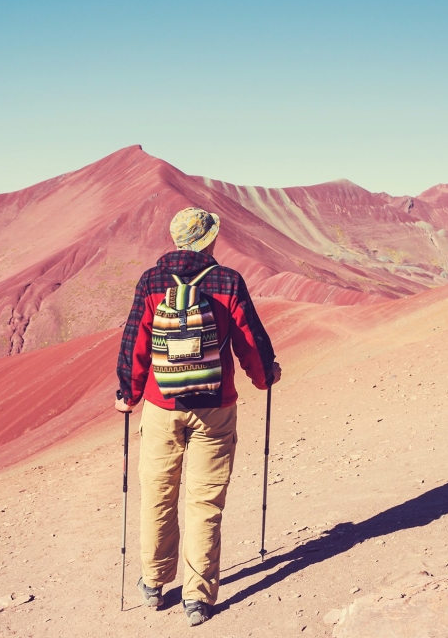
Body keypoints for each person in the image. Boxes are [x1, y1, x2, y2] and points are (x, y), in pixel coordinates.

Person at [115, 207, 281, 626]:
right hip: (216, 407)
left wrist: (127, 394)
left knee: (157, 494)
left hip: (161, 407)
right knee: (205, 501)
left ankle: (153, 585)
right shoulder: (227, 281)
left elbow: (135, 340)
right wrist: (266, 377)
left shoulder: (152, 281)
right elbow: (249, 338)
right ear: (209, 239)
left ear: (175, 240)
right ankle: (198, 598)